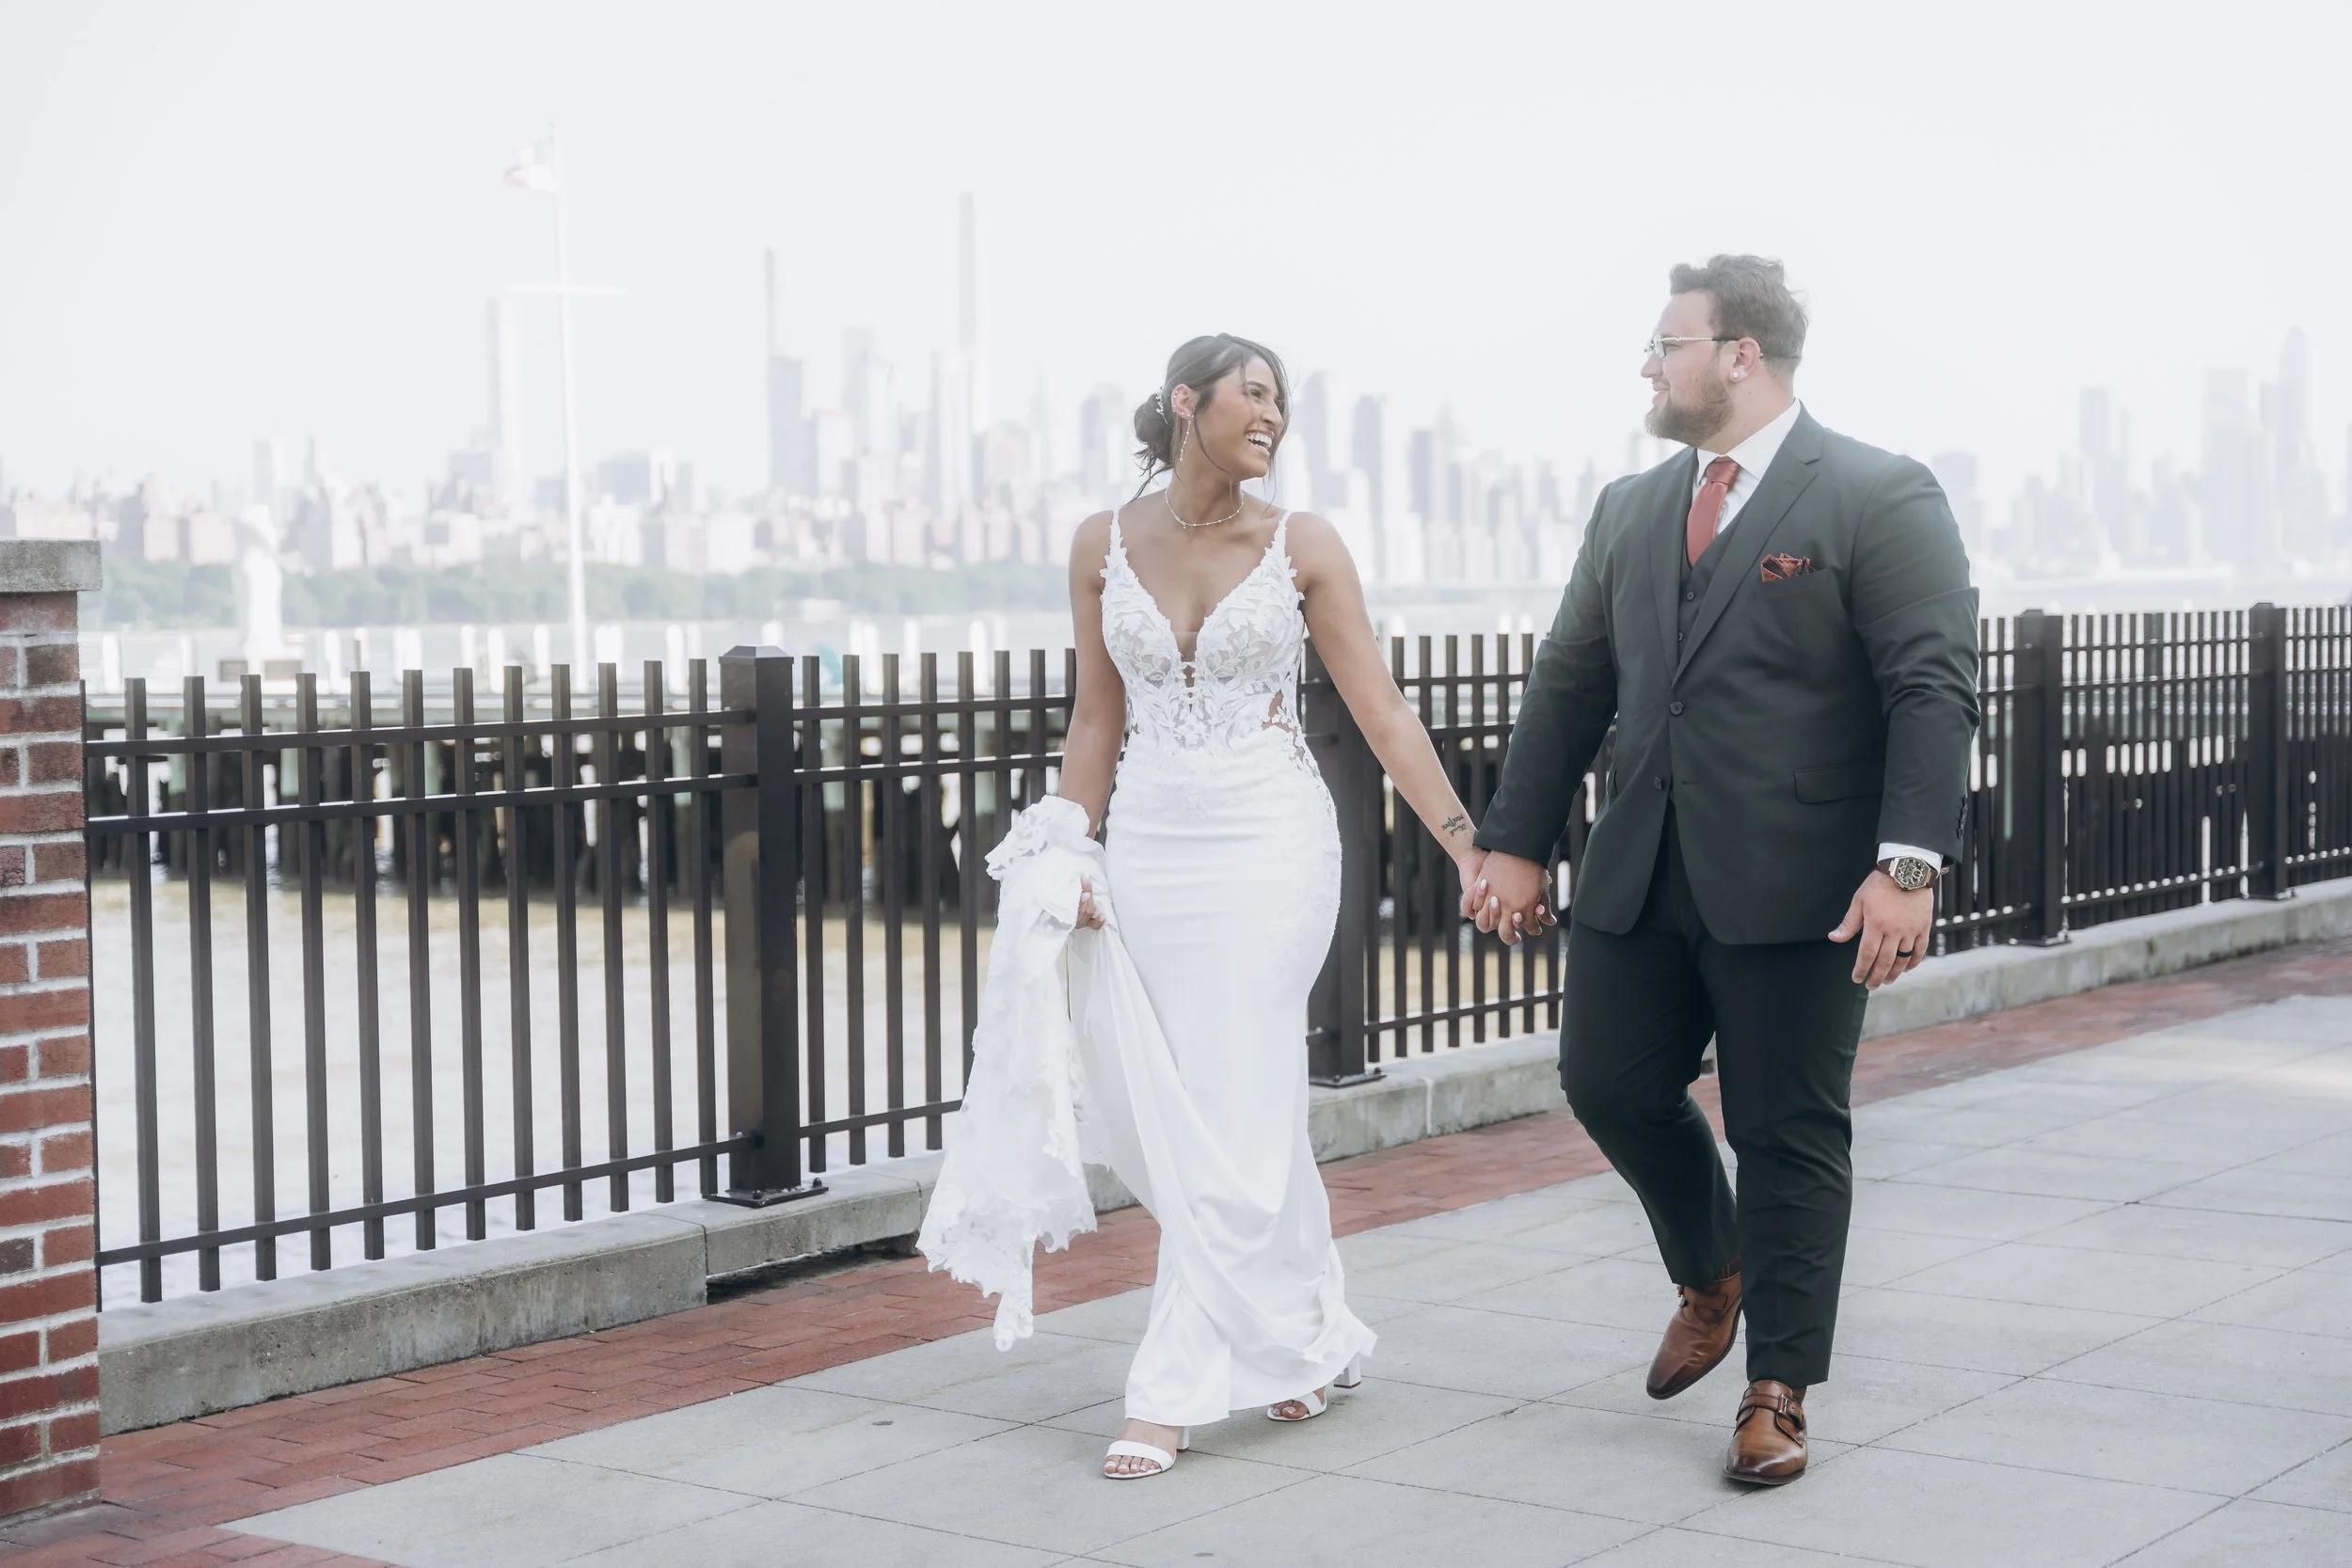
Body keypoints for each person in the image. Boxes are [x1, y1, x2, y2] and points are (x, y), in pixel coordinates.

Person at [1468, 257, 1978, 1485]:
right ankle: (1713, 1266)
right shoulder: (1630, 507)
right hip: (1642, 866)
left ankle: (1776, 1387)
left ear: (1740, 353)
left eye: (1668, 342)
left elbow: (1929, 682)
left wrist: (1906, 863)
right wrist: (1518, 837)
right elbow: (1572, 681)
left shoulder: (1877, 491)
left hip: (1802, 879)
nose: (1649, 364)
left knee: (1788, 1129)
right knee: (1605, 1078)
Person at [1054, 334, 1488, 1479]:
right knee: (1230, 1104)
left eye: (1283, 402)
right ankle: (1306, 1340)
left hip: (1269, 845)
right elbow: (1096, 720)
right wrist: (1068, 848)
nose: (1274, 416)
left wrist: (1463, 842)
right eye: (1255, 393)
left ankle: (1171, 1385)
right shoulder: (1101, 544)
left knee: (1234, 1092)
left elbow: (1382, 709)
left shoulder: (1304, 545)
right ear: (1183, 401)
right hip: (1151, 846)